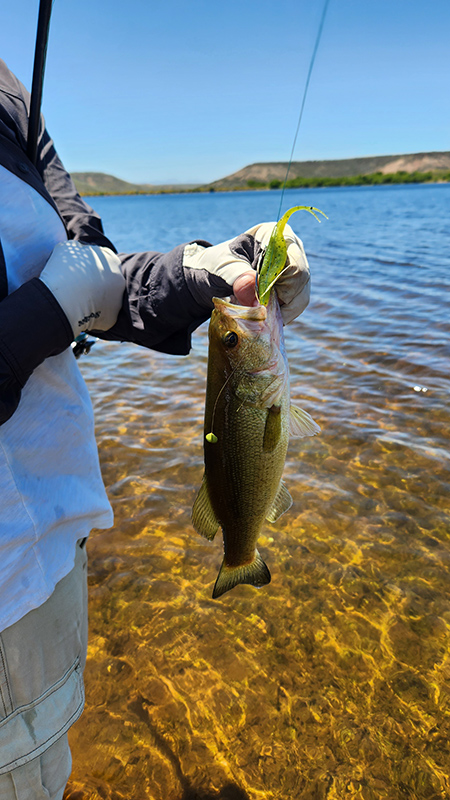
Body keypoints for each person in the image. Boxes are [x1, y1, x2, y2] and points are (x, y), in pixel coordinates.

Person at [0, 57, 311, 799]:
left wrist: (202, 268)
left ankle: (241, 551)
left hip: (51, 553)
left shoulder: (10, 94)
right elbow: (66, 294)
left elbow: (94, 271)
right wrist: (45, 314)